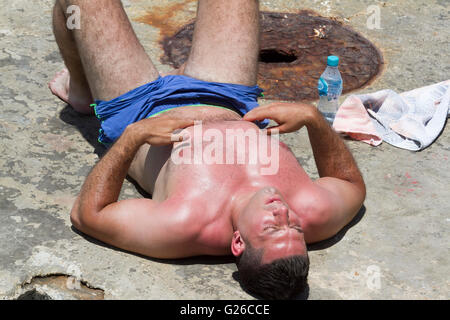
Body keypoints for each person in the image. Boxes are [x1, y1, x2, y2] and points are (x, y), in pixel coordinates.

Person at [49, 0, 366, 299]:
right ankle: (185, 69)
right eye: (294, 227)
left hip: (140, 107)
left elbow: (89, 215)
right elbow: (350, 184)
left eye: (272, 226)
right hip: (228, 97)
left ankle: (81, 87)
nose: (282, 212)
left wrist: (135, 135)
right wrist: (313, 119)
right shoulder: (311, 213)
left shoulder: (186, 224)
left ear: (238, 241)